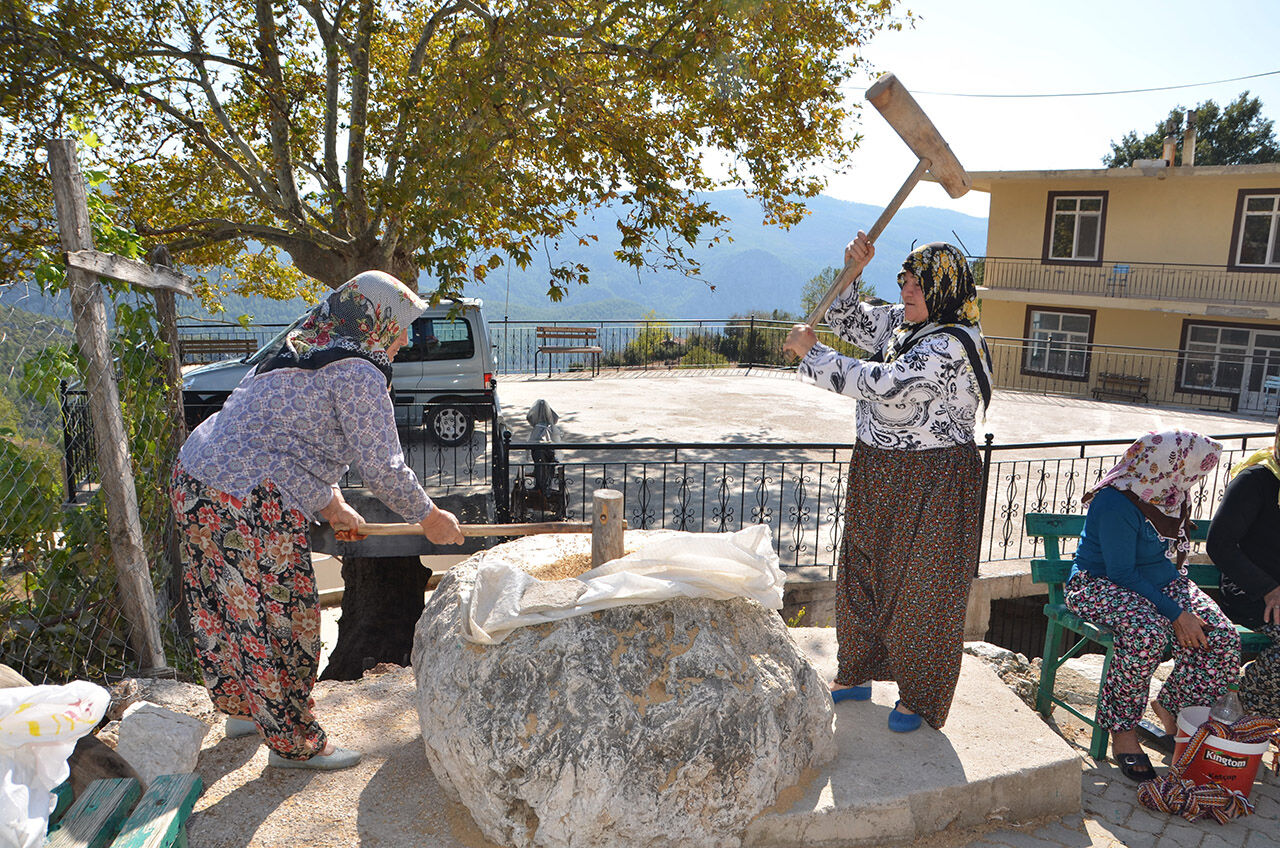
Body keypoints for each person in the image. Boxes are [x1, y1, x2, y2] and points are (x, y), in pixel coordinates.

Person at [170, 271, 466, 771]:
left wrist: (332, 505)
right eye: (402, 327)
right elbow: (382, 467)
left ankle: (246, 711)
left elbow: (282, 436)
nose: (404, 340)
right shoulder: (360, 371)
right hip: (247, 496)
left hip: (197, 474)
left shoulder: (297, 344)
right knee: (279, 615)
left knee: (224, 602)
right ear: (377, 320)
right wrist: (430, 517)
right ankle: (294, 744)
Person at [782, 233, 993, 733]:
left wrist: (814, 358)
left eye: (918, 282)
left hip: (935, 478)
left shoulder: (953, 343)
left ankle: (918, 696)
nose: (907, 289)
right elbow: (847, 318)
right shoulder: (905, 324)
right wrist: (852, 269)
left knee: (922, 586)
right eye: (903, 279)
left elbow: (889, 384)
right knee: (864, 570)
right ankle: (856, 670)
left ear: (944, 287)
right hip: (878, 466)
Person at [1065, 430, 1240, 782]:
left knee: (1222, 638)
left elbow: (1167, 560)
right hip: (1101, 584)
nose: (1193, 480)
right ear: (1170, 465)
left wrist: (1178, 607)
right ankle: (1123, 731)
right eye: (1191, 471)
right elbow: (1121, 572)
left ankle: (1171, 707)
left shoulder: (1169, 493)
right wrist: (1175, 614)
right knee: (1147, 634)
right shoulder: (1116, 501)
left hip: (1161, 583)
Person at [1208, 412, 1280, 719]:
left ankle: (1256, 718)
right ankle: (1239, 708)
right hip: (1251, 593)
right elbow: (1219, 545)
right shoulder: (1256, 480)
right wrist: (1269, 588)